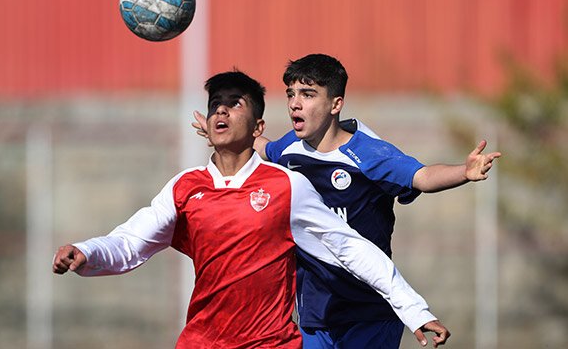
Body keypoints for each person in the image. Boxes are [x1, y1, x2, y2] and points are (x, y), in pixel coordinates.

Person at [53, 70, 450, 348]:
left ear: (258, 127)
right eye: (215, 106)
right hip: (201, 342)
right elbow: (132, 241)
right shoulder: (186, 186)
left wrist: (414, 310)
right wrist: (87, 251)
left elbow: (350, 247)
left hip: (270, 343)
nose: (221, 112)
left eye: (233, 104)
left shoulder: (286, 186)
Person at [192, 54, 499, 349]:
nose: (295, 103)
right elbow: (264, 147)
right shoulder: (290, 149)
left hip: (369, 314)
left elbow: (422, 176)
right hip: (316, 314)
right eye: (291, 94)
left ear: (336, 104)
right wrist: (224, 131)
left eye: (308, 94)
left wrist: (464, 171)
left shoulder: (368, 154)